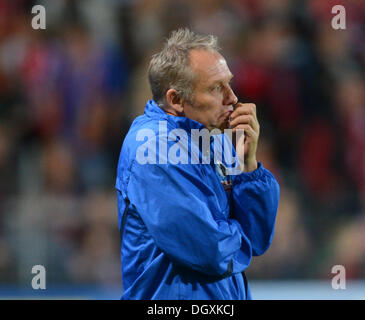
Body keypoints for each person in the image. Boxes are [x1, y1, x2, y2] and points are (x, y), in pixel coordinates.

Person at [115, 28, 279, 299]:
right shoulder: (153, 148)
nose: (233, 98)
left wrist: (248, 165)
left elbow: (258, 239)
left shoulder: (216, 136)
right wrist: (240, 235)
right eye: (216, 88)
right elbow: (211, 251)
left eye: (229, 83)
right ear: (175, 99)